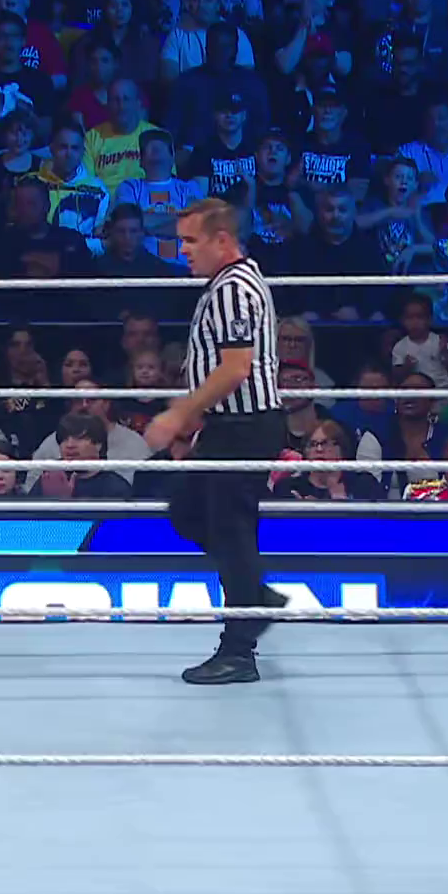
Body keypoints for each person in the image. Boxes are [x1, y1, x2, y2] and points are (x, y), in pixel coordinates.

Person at [145, 197, 284, 686]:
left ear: (221, 240)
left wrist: (180, 413)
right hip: (231, 425)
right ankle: (255, 596)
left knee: (231, 532)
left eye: (191, 241)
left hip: (245, 426)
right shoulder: (232, 282)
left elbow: (236, 368)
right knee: (188, 512)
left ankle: (239, 651)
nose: (183, 250)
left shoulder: (233, 289)